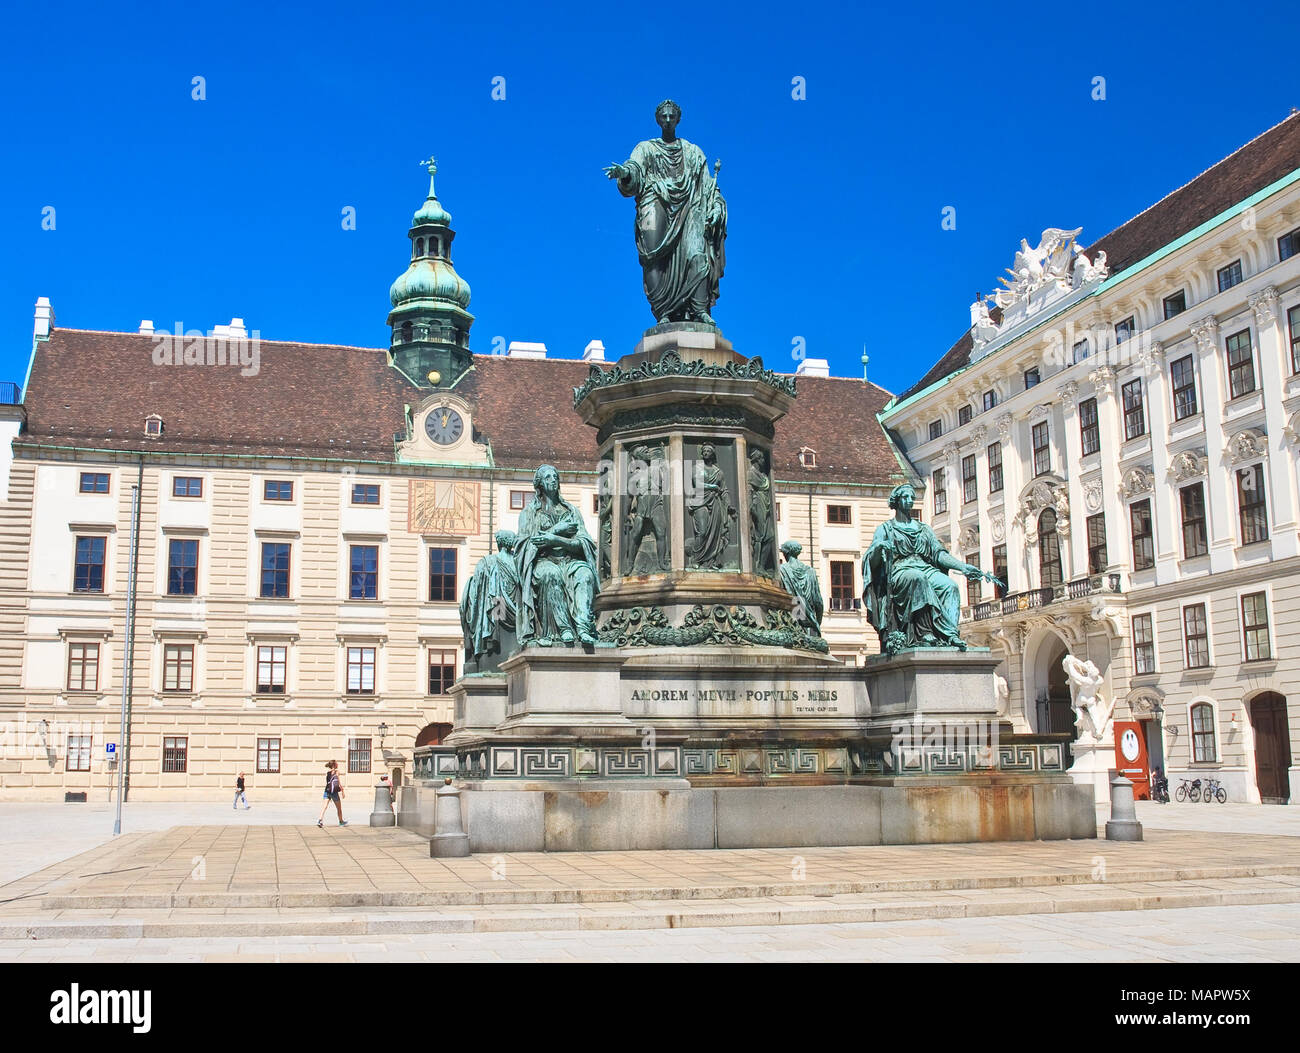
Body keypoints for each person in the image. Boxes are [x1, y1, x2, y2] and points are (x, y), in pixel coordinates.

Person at [862, 483, 1001, 654]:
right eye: (906, 497)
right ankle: (924, 633)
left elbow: (939, 554)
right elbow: (872, 560)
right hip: (901, 571)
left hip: (925, 568)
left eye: (912, 498)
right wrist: (879, 548)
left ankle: (950, 635)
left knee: (950, 587)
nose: (910, 501)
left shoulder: (924, 529)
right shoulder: (885, 529)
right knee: (917, 579)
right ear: (896, 501)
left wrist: (963, 567)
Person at [515, 464, 600, 646]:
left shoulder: (571, 512)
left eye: (555, 477)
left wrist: (555, 540)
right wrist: (557, 530)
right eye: (548, 477)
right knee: (550, 574)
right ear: (539, 484)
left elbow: (583, 543)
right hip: (544, 561)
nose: (553, 480)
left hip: (570, 560)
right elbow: (528, 545)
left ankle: (583, 628)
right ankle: (563, 629)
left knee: (585, 575)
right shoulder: (530, 513)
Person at [317, 759, 348, 827]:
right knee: (339, 808)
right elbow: (338, 782)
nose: (338, 764)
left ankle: (320, 820)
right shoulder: (337, 772)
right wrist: (342, 791)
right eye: (337, 763)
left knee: (324, 807)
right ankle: (341, 822)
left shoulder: (328, 773)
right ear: (334, 765)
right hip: (334, 792)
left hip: (327, 791)